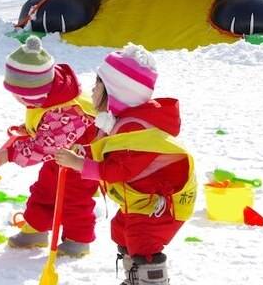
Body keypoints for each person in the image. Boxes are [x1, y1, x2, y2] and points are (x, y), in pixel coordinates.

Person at [55, 44, 196, 285]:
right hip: (141, 199)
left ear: (115, 91)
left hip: (161, 205)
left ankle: (151, 281)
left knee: (142, 240)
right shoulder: (123, 121)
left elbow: (119, 169)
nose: (92, 89)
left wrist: (80, 164)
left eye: (98, 84)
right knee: (121, 229)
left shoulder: (136, 128)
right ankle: (135, 278)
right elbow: (114, 153)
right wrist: (86, 152)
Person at [0, 36, 99, 257]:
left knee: (74, 199)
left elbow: (43, 148)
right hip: (59, 155)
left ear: (36, 93)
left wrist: (10, 154)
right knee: (44, 190)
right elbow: (48, 128)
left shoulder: (67, 112)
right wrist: (30, 129)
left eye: (21, 97)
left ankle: (78, 240)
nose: (18, 101)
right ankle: (35, 230)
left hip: (81, 162)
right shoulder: (49, 95)